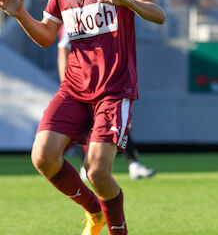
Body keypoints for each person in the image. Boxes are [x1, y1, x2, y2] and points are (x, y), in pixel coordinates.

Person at [0, 0, 165, 235]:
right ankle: (94, 212)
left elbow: (158, 14)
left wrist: (127, 2)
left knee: (97, 171)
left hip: (113, 90)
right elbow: (47, 36)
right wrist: (20, 15)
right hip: (74, 89)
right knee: (43, 157)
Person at [57, 26, 156, 181]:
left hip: (107, 82)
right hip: (83, 84)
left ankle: (133, 164)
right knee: (85, 124)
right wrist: (66, 85)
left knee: (119, 123)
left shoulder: (103, 15)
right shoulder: (71, 16)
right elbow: (63, 48)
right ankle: (88, 166)